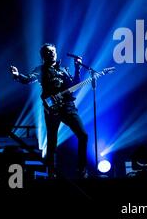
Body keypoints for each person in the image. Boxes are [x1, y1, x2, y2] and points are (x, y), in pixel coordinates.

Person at [10, 43, 89, 179]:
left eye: (53, 51)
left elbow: (75, 86)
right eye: (48, 51)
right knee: (52, 141)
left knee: (83, 135)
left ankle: (81, 170)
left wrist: (77, 69)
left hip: (68, 107)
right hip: (52, 108)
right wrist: (17, 75)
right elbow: (28, 79)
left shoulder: (63, 70)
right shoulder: (40, 70)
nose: (52, 53)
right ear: (43, 55)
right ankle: (51, 172)